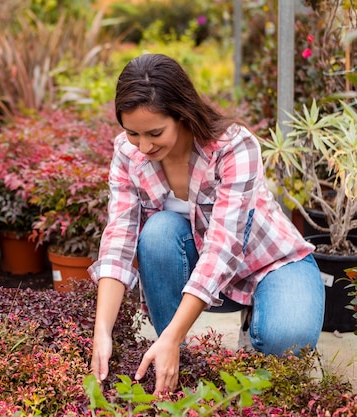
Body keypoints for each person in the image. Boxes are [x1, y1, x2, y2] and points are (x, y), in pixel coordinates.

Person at [88, 53, 325, 394]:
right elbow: (119, 238)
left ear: (182, 115)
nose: (143, 146)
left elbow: (222, 248)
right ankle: (173, 358)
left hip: (272, 262)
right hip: (202, 272)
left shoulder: (233, 147)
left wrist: (169, 335)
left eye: (155, 132)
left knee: (286, 344)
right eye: (132, 133)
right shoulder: (128, 153)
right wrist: (102, 332)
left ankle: (243, 323)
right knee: (156, 234)